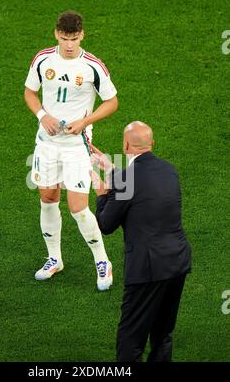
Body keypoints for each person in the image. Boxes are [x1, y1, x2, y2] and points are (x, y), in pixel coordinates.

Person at [24, 11, 118, 291]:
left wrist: (85, 122)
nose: (69, 44)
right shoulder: (43, 59)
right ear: (56, 34)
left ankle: (103, 262)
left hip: (77, 145)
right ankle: (54, 259)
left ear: (82, 35)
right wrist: (43, 115)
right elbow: (30, 92)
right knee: (48, 198)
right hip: (47, 143)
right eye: (65, 38)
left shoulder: (92, 66)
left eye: (74, 39)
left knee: (79, 208)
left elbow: (112, 102)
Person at [90, 121, 191, 361]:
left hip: (147, 268)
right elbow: (139, 187)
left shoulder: (126, 179)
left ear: (125, 145)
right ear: (152, 143)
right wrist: (113, 171)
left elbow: (106, 224)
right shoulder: (169, 169)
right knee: (163, 334)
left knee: (130, 340)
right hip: (177, 262)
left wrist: (103, 193)